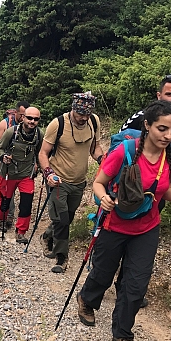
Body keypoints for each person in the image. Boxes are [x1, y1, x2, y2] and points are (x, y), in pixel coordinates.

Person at [77, 100, 171, 341]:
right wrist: (103, 198)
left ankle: (122, 333)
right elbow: (99, 183)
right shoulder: (124, 150)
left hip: (147, 228)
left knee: (136, 284)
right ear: (147, 125)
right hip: (115, 224)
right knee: (103, 272)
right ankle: (87, 300)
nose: (168, 135)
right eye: (162, 129)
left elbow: (161, 191)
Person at [119, 75, 171, 309]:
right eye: (170, 94)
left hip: (156, 194)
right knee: (119, 240)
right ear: (159, 96)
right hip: (125, 193)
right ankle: (101, 276)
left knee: (141, 242)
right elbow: (119, 152)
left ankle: (128, 289)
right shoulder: (141, 119)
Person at [38, 92, 104, 273]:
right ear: (73, 108)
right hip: (58, 180)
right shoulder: (57, 124)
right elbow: (43, 153)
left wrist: (102, 159)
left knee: (69, 218)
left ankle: (47, 236)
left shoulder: (94, 122)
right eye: (80, 114)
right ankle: (61, 258)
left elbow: (94, 147)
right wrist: (48, 173)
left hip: (79, 181)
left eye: (87, 114)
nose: (84, 118)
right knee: (62, 219)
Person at [0, 106, 43, 243]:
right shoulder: (11, 132)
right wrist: (3, 156)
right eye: (29, 118)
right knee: (5, 200)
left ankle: (21, 231)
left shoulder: (39, 135)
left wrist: (39, 166)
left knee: (26, 203)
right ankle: (2, 219)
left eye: (36, 119)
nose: (32, 121)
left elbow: (41, 153)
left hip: (26, 174)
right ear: (23, 117)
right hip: (9, 172)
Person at [0, 101, 30, 231]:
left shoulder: (31, 127)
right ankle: (4, 218)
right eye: (22, 114)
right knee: (6, 193)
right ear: (16, 112)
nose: (24, 118)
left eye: (26, 115)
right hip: (6, 163)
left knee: (21, 196)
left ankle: (10, 218)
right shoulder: (5, 124)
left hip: (23, 167)